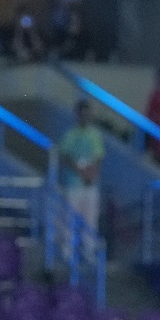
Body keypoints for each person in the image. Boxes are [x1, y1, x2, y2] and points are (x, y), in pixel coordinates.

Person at [59, 100, 105, 233]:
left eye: (87, 114)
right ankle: (68, 247)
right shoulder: (70, 135)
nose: (85, 117)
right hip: (74, 185)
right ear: (77, 115)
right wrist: (81, 173)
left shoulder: (95, 135)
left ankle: (89, 247)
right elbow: (65, 156)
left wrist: (91, 176)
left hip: (90, 186)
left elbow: (98, 158)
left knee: (90, 223)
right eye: (82, 114)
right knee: (69, 223)